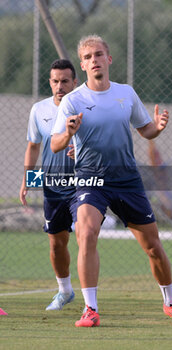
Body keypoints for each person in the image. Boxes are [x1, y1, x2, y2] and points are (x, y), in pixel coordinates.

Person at [51, 35, 172, 327]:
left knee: (153, 246)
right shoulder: (73, 100)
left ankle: (171, 303)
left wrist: (159, 128)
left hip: (127, 179)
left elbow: (146, 131)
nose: (94, 60)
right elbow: (55, 144)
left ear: (109, 59)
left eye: (99, 54)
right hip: (91, 179)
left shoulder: (126, 93)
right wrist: (68, 133)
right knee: (86, 233)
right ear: (83, 64)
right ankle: (90, 309)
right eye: (89, 57)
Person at [20, 59, 78, 311]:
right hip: (53, 186)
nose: (60, 86)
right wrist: (27, 179)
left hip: (85, 183)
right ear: (50, 83)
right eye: (55, 81)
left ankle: (91, 302)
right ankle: (65, 291)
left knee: (87, 237)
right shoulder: (39, 110)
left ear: (75, 82)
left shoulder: (87, 106)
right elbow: (33, 146)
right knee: (57, 243)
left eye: (65, 81)